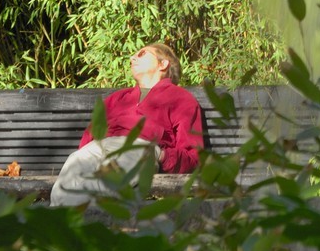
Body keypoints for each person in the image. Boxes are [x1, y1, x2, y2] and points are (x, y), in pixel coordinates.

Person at [50, 42, 205, 207]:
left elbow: (193, 156)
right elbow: (90, 136)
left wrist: (161, 155)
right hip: (99, 147)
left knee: (104, 186)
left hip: (138, 147)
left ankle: (71, 224)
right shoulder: (118, 98)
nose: (132, 58)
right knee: (69, 175)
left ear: (163, 64)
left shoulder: (181, 99)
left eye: (141, 54)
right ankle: (65, 222)